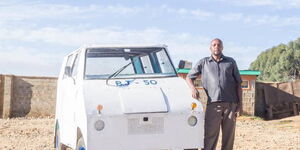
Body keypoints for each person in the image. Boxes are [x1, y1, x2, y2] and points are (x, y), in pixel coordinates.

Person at [186, 38, 242, 150]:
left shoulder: (230, 62)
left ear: (222, 47)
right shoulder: (204, 62)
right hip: (213, 105)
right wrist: (193, 89)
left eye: (219, 45)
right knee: (210, 135)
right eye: (214, 45)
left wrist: (240, 105)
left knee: (229, 136)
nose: (216, 47)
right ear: (210, 48)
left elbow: (238, 84)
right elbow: (189, 77)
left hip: (231, 105)